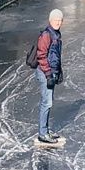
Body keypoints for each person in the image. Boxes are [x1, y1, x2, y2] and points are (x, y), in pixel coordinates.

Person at [34, 9, 64, 145]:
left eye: (60, 20)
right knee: (47, 103)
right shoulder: (47, 35)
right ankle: (42, 134)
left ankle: (45, 129)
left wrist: (58, 72)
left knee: (48, 101)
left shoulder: (56, 34)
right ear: (50, 20)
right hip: (45, 73)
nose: (58, 22)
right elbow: (41, 55)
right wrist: (48, 74)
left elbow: (55, 56)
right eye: (55, 20)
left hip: (51, 72)